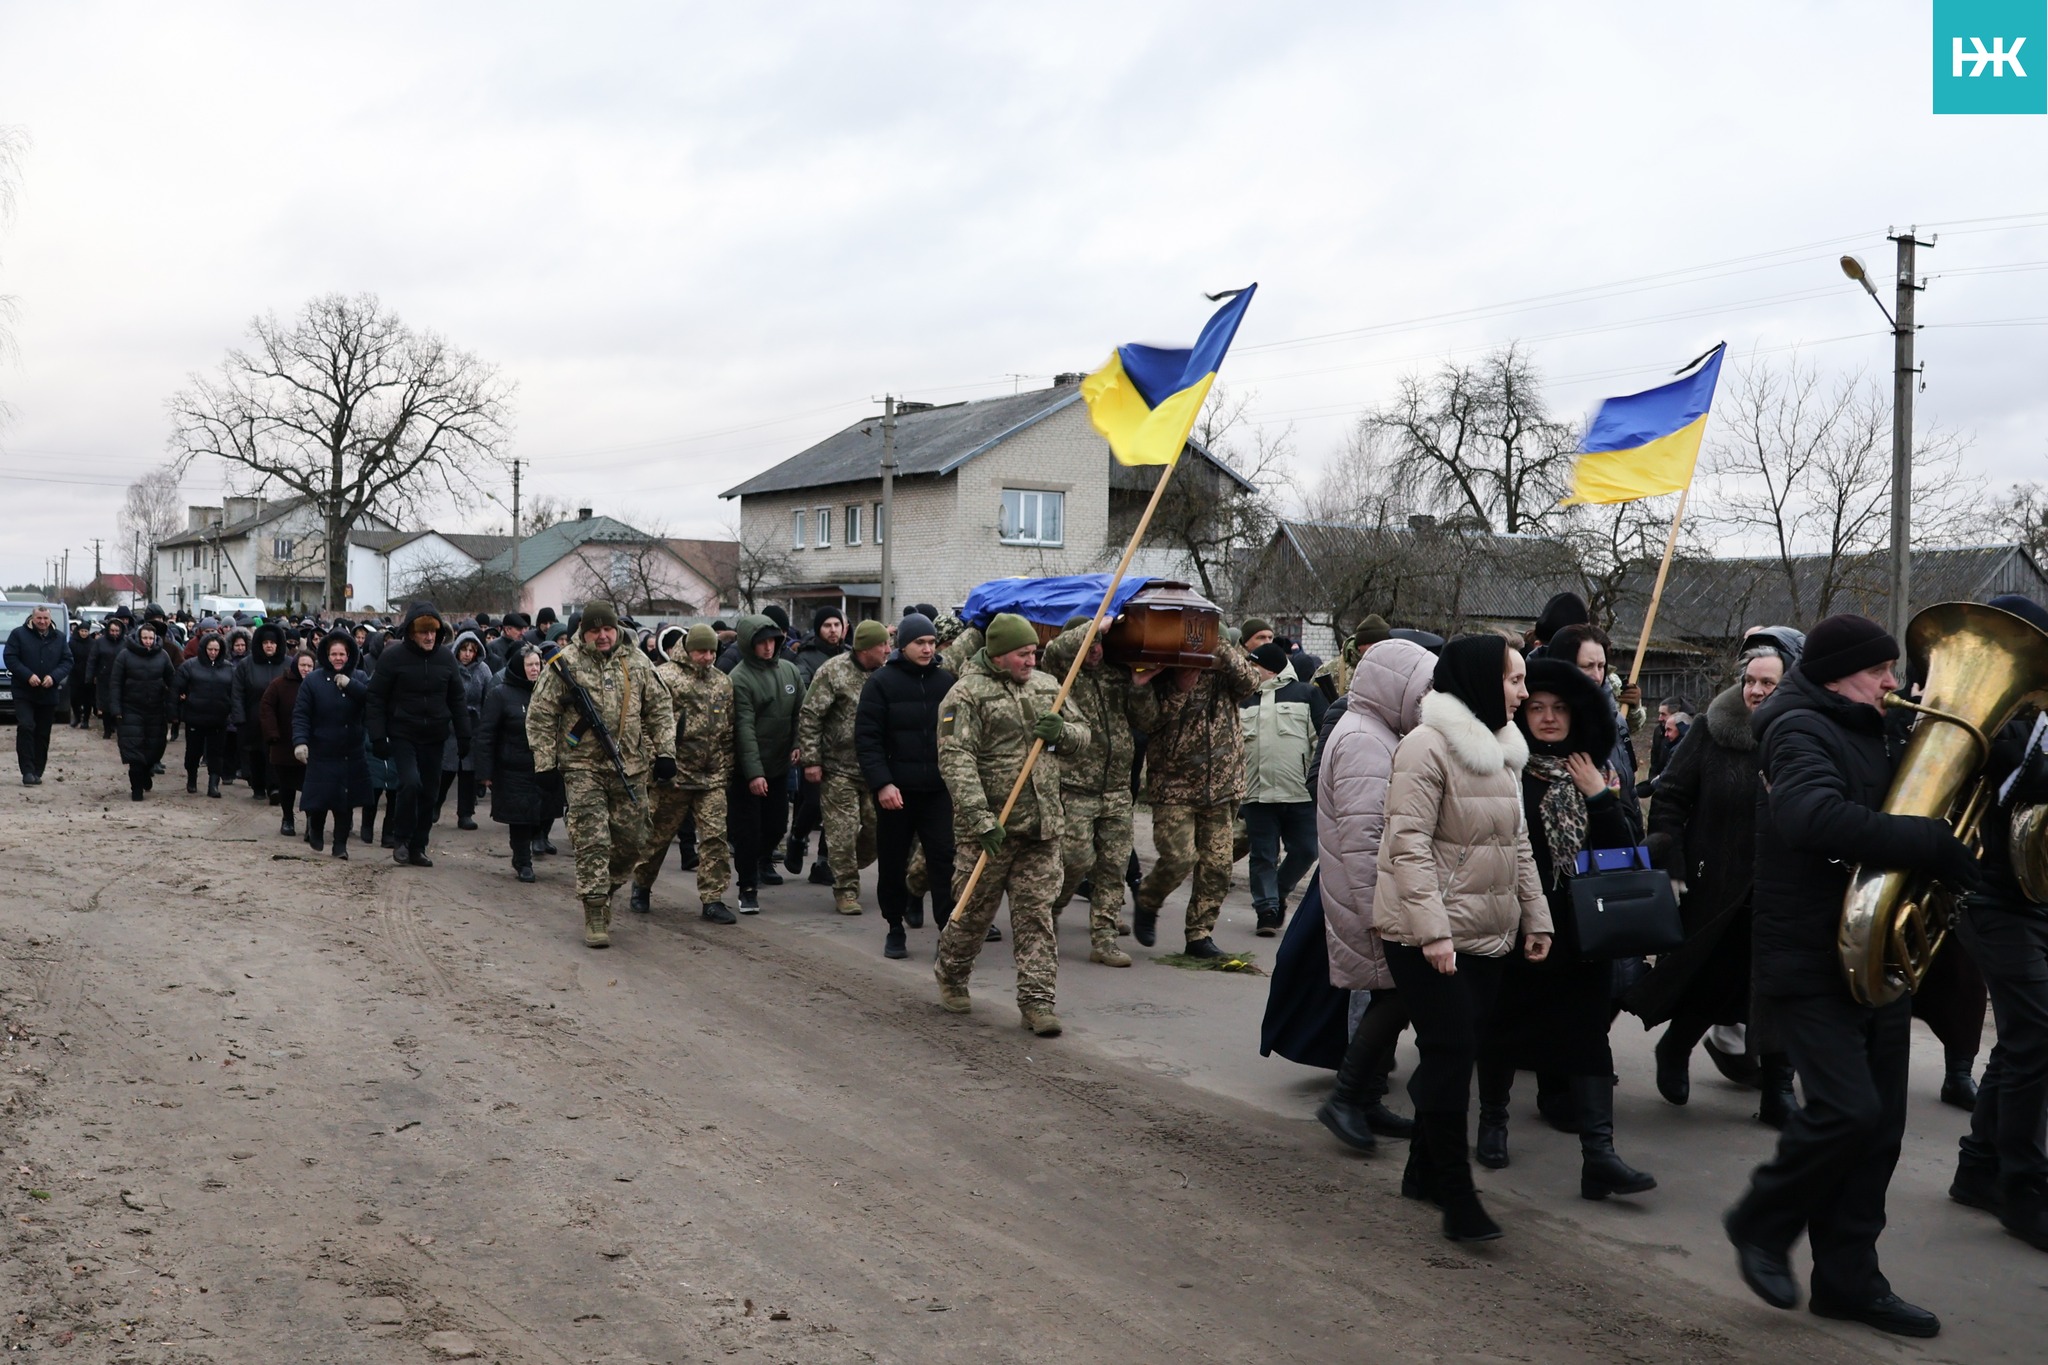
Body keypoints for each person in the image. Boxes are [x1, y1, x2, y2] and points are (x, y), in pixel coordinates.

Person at [1724, 614, 1975, 1338]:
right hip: (1808, 957)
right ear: (1839, 674)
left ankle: (1848, 1280)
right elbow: (1810, 816)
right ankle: (1760, 1222)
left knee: (1881, 1130)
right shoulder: (1797, 725)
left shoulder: (1874, 722)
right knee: (1845, 1110)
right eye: (1881, 671)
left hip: (1874, 957)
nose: (1894, 683)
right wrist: (1928, 842)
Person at [1376, 634, 1550, 1243]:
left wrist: (1537, 917)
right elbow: (1407, 845)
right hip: (1428, 936)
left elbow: (1517, 844)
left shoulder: (1503, 749)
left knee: (1456, 1053)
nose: (1524, 693)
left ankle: (1422, 1171)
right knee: (1450, 1051)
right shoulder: (1425, 746)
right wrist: (1433, 932)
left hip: (1487, 933)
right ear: (1479, 679)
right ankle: (1457, 1194)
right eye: (1513, 680)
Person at [1474, 657, 1655, 1200]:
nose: (1549, 718)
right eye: (1537, 707)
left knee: (1587, 1036)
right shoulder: (1504, 767)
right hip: (1517, 923)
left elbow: (1624, 854)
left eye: (1559, 709)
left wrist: (1599, 796)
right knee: (1504, 1026)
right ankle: (1492, 1123)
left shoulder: (1597, 768)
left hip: (1582, 928)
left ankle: (1599, 1155)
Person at [1633, 649, 1790, 1123]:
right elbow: (1671, 796)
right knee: (1712, 977)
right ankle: (1675, 1047)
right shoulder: (1711, 730)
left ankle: (1779, 1089)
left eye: (1770, 683)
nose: (1758, 690)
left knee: (1779, 985)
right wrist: (1674, 860)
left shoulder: (1801, 737)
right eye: (1752, 680)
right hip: (1715, 883)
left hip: (1780, 888)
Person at [1947, 595, 2048, 1249]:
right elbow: (2011, 783)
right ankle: (2024, 1187)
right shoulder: (1993, 720)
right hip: (1989, 897)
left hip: (2033, 899)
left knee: (2022, 1039)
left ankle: (1979, 1168)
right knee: (2038, 1034)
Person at [932, 613, 1084, 1035]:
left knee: (1036, 917)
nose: (1031, 660)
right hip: (988, 833)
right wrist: (981, 819)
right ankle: (952, 973)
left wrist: (1061, 734)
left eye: (1034, 652)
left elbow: (1082, 736)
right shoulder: (965, 695)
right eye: (1023, 653)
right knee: (973, 915)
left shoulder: (1048, 687)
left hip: (1041, 829)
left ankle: (1037, 1002)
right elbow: (956, 759)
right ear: (999, 656)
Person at [1313, 638, 1436, 1151]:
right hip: (1369, 898)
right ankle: (1345, 1098)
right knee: (1393, 996)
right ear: (1397, 686)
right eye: (1424, 687)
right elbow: (1365, 837)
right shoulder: (1365, 740)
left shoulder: (1376, 731)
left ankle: (1360, 1098)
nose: (1430, 699)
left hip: (1371, 895)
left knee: (1393, 997)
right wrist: (1380, 912)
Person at [527, 601, 674, 948]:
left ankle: (605, 889)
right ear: (584, 632)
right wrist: (545, 763)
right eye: (595, 630)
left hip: (630, 766)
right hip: (582, 768)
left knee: (633, 842)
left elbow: (660, 710)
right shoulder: (566, 664)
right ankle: (594, 910)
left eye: (607, 629)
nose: (603, 636)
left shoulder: (636, 663)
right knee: (594, 841)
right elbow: (541, 715)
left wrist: (666, 752)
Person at [1132, 635, 1263, 957]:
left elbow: (1250, 684)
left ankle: (1199, 935)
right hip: (1174, 786)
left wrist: (1217, 646)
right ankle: (1148, 899)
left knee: (1218, 865)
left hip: (1221, 785)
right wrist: (1179, 688)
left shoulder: (1224, 668)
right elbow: (1146, 721)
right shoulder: (1162, 670)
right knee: (1179, 859)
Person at [1041, 614, 1158, 968]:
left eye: (1098, 643)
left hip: (1117, 789)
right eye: (1088, 643)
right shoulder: (1060, 675)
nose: (1094, 650)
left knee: (1114, 866)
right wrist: (1097, 625)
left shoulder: (1115, 673)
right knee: (1076, 859)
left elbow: (1147, 720)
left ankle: (1104, 940)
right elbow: (1056, 649)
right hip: (1075, 786)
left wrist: (1140, 687)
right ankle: (1050, 910)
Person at [857, 612, 957, 959]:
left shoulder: (947, 683)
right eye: (920, 643)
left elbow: (957, 735)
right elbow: (867, 740)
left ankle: (948, 932)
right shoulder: (881, 683)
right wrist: (882, 783)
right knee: (894, 859)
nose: (928, 649)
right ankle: (894, 926)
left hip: (938, 791)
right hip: (895, 793)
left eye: (931, 642)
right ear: (903, 646)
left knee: (944, 859)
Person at [630, 624, 735, 923]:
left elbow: (729, 730)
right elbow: (646, 724)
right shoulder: (665, 678)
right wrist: (658, 763)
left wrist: (727, 767)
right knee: (657, 838)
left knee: (715, 838)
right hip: (674, 775)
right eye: (702, 651)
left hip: (711, 775)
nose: (707, 657)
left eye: (713, 651)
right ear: (688, 650)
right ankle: (641, 885)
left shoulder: (723, 683)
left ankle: (712, 898)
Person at [365, 602, 469, 868]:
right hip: (403, 733)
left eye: (433, 632)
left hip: (435, 736)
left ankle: (419, 846)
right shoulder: (393, 657)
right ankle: (400, 839)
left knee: (430, 793)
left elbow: (457, 698)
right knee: (410, 783)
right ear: (411, 632)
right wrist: (378, 736)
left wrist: (464, 735)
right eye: (423, 632)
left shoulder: (446, 659)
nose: (429, 637)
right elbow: (375, 697)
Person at [796, 618, 887, 915]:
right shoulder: (833, 671)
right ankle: (846, 888)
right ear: (865, 648)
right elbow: (811, 716)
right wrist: (812, 760)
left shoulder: (886, 675)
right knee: (842, 832)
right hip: (838, 769)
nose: (888, 649)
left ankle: (845, 864)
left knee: (876, 830)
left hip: (875, 769)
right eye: (882, 645)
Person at [1240, 639, 1328, 936]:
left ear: (1268, 670)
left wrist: (1318, 784)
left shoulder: (1306, 694)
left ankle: (1277, 892)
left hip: (1299, 793)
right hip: (1257, 794)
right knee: (1263, 855)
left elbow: (1322, 740)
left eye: (1253, 666)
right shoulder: (1243, 699)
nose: (1248, 671)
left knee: (1306, 849)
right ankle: (1266, 910)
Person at [726, 613, 805, 911]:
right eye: (761, 643)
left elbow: (802, 711)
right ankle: (747, 887)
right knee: (747, 830)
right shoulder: (739, 678)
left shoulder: (790, 671)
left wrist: (798, 743)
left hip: (778, 767)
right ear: (749, 645)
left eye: (772, 641)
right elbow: (743, 728)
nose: (768, 648)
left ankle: (760, 860)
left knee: (775, 827)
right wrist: (753, 774)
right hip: (747, 771)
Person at [475, 643, 564, 884]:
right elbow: (486, 734)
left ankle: (538, 840)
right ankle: (522, 860)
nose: (535, 669)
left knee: (547, 811)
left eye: (538, 664)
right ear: (518, 667)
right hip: (513, 768)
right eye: (529, 665)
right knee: (521, 819)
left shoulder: (550, 692)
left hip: (546, 766)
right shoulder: (501, 694)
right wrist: (484, 771)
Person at [786, 606, 850, 881]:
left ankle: (824, 862)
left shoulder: (850, 656)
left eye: (837, 624)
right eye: (828, 625)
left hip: (844, 747)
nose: (833, 630)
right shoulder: (807, 658)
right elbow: (804, 704)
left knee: (837, 808)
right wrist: (801, 742)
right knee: (813, 803)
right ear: (818, 629)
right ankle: (798, 837)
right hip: (815, 742)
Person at [293, 633, 370, 859]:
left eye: (342, 654)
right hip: (321, 749)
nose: (338, 658)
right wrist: (300, 742)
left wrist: (352, 685)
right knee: (320, 799)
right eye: (334, 654)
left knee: (344, 803)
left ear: (350, 656)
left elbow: (372, 701)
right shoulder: (313, 681)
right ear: (327, 655)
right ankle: (315, 829)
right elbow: (301, 714)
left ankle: (340, 845)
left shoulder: (360, 677)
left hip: (350, 751)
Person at [107, 620, 178, 801]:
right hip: (131, 709)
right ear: (139, 637)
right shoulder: (124, 656)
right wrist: (115, 708)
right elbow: (115, 683)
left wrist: (175, 706)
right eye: (145, 638)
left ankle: (146, 773)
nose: (147, 641)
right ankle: (136, 789)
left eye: (151, 638)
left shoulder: (162, 656)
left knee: (155, 749)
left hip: (156, 709)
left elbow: (173, 681)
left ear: (155, 639)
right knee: (134, 751)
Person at [5, 605, 70, 785]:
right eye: (39, 618)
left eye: (45, 618)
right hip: (24, 691)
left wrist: (54, 677)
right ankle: (26, 770)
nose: (42, 622)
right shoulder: (18, 634)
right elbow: (10, 657)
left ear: (50, 619)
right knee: (26, 726)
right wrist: (28, 675)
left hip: (48, 693)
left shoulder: (59, 638)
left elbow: (67, 661)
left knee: (42, 733)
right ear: (32, 618)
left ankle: (37, 770)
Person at [437, 629, 493, 830]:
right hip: (450, 725)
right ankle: (435, 806)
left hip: (473, 726)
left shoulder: (484, 671)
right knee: (445, 771)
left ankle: (466, 813)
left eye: (472, 650)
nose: (468, 654)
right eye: (464, 649)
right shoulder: (448, 668)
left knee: (468, 774)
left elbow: (489, 698)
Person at [174, 633, 236, 797]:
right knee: (193, 752)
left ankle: (213, 785)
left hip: (219, 718)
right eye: (210, 649)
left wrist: (232, 710)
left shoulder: (229, 668)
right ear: (204, 649)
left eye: (216, 649)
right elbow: (178, 687)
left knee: (216, 754)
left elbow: (235, 692)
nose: (213, 653)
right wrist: (181, 704)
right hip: (195, 717)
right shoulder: (190, 666)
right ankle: (192, 778)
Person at [232, 624, 287, 802]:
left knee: (275, 754)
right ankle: (257, 786)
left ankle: (275, 788)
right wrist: (239, 718)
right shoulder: (246, 664)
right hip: (253, 718)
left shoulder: (287, 664)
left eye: (272, 642)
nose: (269, 646)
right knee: (255, 754)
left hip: (279, 719)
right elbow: (237, 692)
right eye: (265, 642)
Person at [261, 650, 314, 836]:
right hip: (284, 744)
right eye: (303, 665)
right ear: (295, 665)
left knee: (310, 786)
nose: (306, 669)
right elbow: (266, 706)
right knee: (287, 785)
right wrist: (272, 732)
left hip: (311, 745)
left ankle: (311, 822)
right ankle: (287, 819)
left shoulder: (318, 684)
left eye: (309, 666)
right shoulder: (279, 684)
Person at [90, 616, 126, 740]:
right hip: (104, 676)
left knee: (118, 702)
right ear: (108, 630)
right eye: (112, 631)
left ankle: (117, 726)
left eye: (117, 631)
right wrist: (91, 676)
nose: (115, 633)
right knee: (105, 705)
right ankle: (107, 729)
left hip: (121, 677)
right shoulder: (100, 642)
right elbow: (93, 659)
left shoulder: (125, 643)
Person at [67, 620, 95, 730]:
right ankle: (77, 717)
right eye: (82, 631)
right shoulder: (72, 643)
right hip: (75, 674)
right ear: (78, 631)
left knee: (87, 699)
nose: (84, 633)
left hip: (87, 675)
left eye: (86, 631)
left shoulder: (92, 643)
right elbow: (68, 657)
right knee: (74, 698)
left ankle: (86, 720)